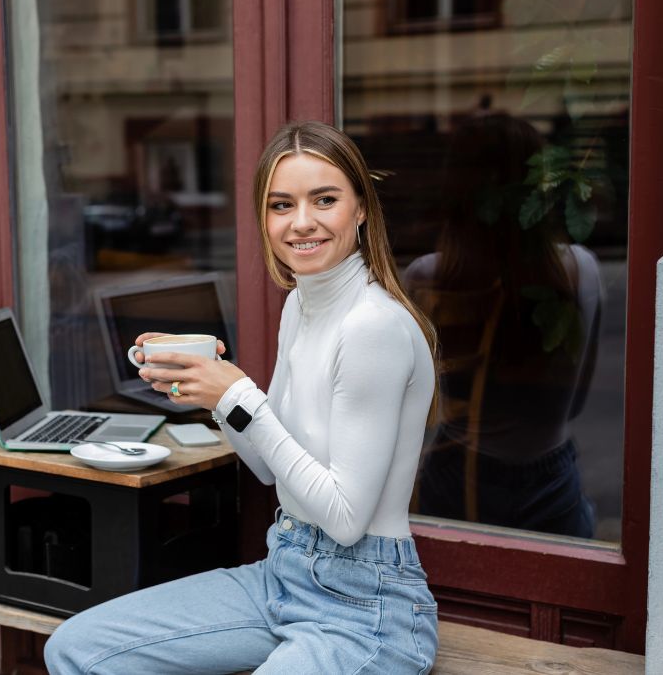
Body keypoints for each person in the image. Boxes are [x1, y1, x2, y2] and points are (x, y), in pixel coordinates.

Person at [43, 121, 439, 674]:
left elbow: (346, 519)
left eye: (324, 199)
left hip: (366, 606)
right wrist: (212, 390)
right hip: (285, 573)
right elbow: (264, 466)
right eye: (282, 205)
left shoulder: (372, 327)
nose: (301, 222)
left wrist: (239, 394)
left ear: (361, 208)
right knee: (76, 649)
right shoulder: (299, 306)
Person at [404, 113, 601, 537]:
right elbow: (578, 400)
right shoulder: (580, 269)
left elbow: (411, 405)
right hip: (551, 481)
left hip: (457, 475)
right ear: (536, 186)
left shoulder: (425, 277)